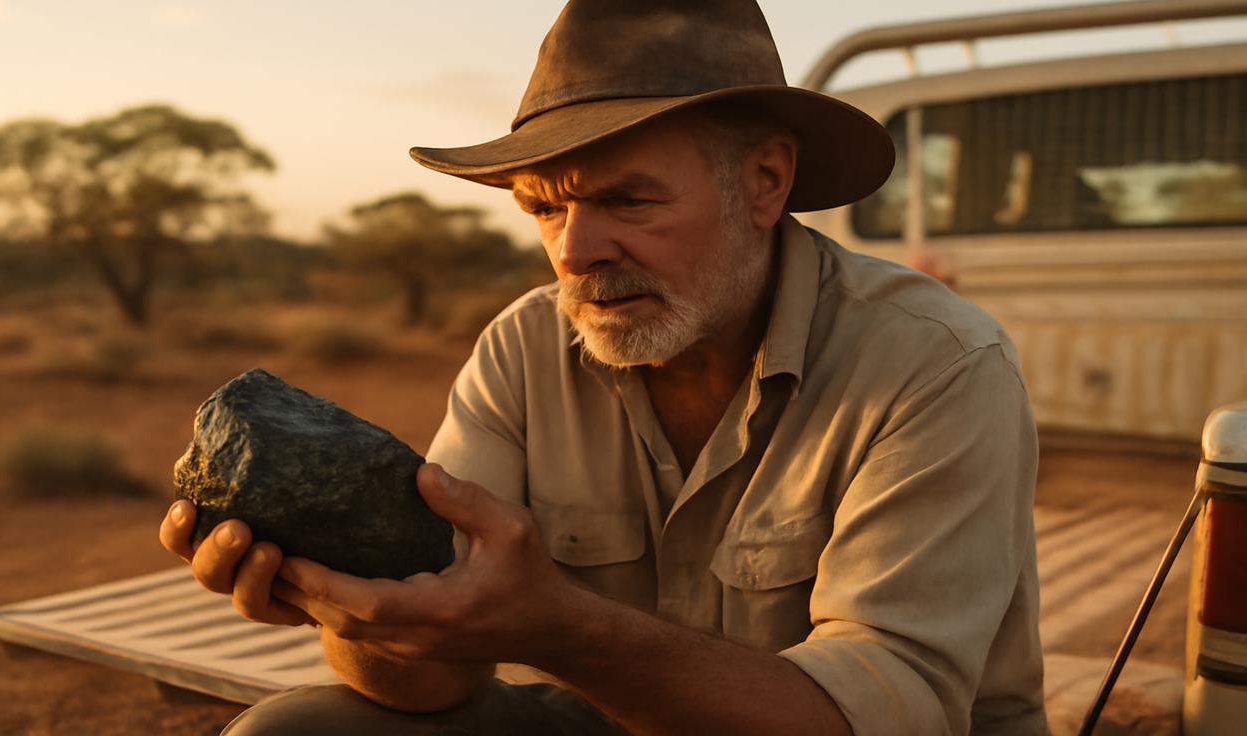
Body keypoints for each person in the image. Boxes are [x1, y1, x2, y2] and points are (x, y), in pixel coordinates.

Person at [160, 1, 1047, 733]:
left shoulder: (934, 362)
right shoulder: (522, 347)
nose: (575, 252)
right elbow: (432, 685)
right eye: (544, 209)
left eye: (626, 199)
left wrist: (558, 625)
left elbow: (885, 715)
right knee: (300, 729)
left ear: (765, 184)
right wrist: (348, 600)